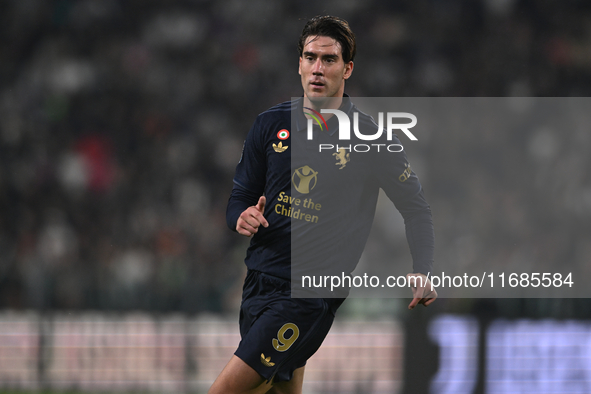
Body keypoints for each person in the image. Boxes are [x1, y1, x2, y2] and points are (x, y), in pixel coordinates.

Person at [209, 15, 436, 394]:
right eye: (310, 57)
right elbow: (240, 196)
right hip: (260, 281)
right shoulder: (270, 124)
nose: (317, 68)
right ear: (298, 63)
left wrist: (423, 268)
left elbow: (416, 208)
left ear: (347, 68)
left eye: (328, 59)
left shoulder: (371, 140)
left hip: (308, 295)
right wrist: (241, 217)